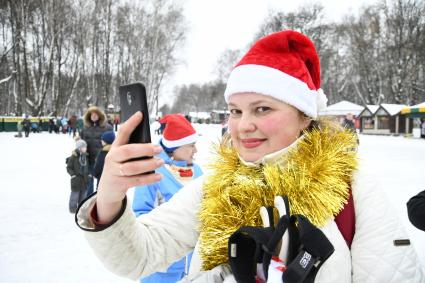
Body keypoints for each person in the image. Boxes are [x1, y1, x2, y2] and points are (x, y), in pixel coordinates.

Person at [75, 30, 423, 282]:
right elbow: (139, 257)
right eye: (235, 111)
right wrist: (108, 199)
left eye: (261, 108)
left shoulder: (354, 189)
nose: (243, 126)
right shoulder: (215, 186)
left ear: (305, 116)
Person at [132, 114, 203, 283]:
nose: (196, 150)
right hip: (162, 268)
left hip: (192, 267)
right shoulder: (152, 171)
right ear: (175, 148)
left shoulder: (198, 171)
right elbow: (140, 215)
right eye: (191, 145)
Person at [80, 106, 113, 197]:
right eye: (92, 115)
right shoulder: (85, 128)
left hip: (102, 160)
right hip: (89, 160)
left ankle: (100, 200)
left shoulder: (107, 128)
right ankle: (88, 200)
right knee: (89, 182)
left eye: (96, 114)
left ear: (99, 116)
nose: (94, 116)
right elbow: (81, 142)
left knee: (101, 183)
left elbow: (112, 142)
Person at [66, 139, 89, 213]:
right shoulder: (74, 157)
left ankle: (81, 208)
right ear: (79, 148)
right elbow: (69, 167)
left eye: (85, 147)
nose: (85, 148)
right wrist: (73, 175)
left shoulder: (86, 156)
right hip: (76, 179)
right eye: (83, 147)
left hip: (84, 179)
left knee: (83, 195)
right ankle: (72, 208)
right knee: (75, 195)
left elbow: (87, 166)